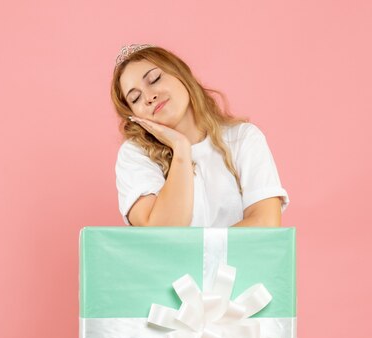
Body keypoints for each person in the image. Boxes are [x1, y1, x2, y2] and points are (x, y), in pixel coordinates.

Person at [111, 43, 289, 227]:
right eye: (135, 98)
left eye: (155, 79)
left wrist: (196, 251)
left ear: (181, 75)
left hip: (240, 258)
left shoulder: (243, 138)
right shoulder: (134, 155)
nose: (149, 96)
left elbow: (265, 224)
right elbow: (161, 234)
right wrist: (181, 149)